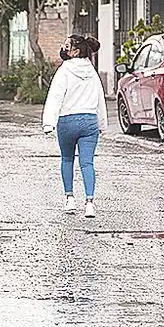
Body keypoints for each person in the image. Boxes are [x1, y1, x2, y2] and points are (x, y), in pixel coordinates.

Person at [42, 35, 107, 218]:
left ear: (75, 51)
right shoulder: (92, 71)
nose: (63, 49)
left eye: (67, 46)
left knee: (67, 159)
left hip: (67, 121)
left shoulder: (64, 71)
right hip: (89, 121)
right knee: (87, 163)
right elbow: (99, 98)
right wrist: (102, 123)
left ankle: (70, 199)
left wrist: (48, 123)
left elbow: (56, 97)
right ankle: (89, 203)